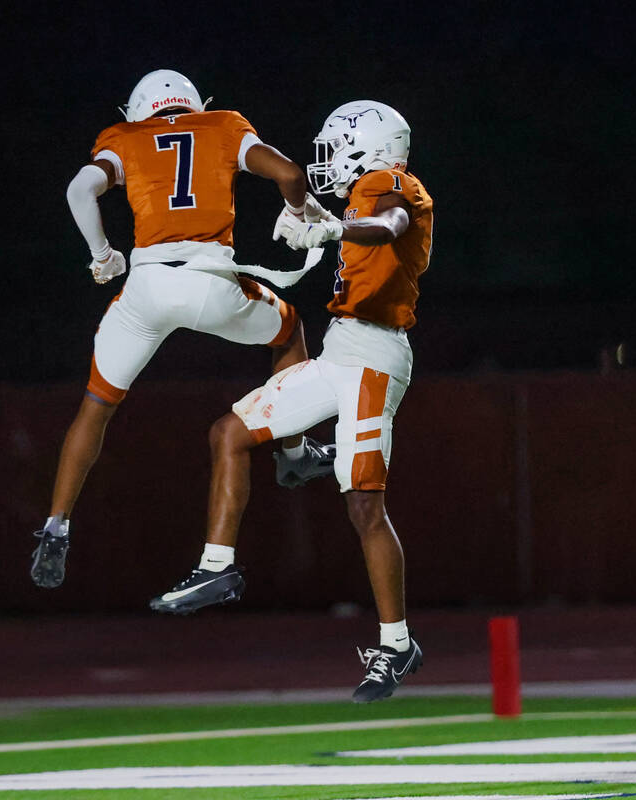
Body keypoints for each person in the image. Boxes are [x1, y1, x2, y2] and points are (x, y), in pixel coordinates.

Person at [149, 101, 434, 703]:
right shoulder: (365, 195)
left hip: (375, 361)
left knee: (364, 507)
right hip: (340, 354)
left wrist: (325, 228)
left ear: (372, 147)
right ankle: (218, 565)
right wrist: (314, 215)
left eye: (337, 146)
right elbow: (360, 230)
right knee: (230, 432)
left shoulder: (394, 186)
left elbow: (388, 228)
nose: (328, 158)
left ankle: (396, 643)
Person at [30, 69, 335, 589]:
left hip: (147, 288)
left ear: (137, 110)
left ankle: (55, 529)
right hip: (211, 283)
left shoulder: (122, 138)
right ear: (196, 103)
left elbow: (80, 189)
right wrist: (295, 213)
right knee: (289, 330)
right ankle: (293, 454)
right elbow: (290, 174)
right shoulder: (223, 126)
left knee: (96, 406)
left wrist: (103, 255)